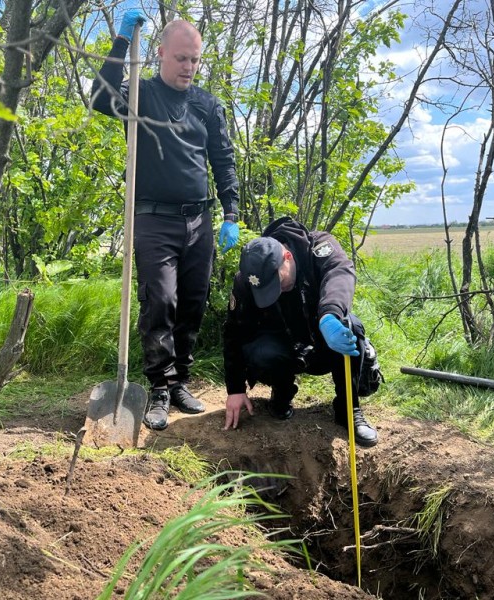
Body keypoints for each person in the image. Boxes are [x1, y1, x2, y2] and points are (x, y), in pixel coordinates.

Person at [91, 11, 241, 431]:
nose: (188, 67)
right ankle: (158, 388)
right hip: (152, 219)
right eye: (181, 59)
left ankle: (179, 383)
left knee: (192, 303)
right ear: (159, 55)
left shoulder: (207, 105)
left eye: (194, 60)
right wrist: (121, 40)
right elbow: (99, 98)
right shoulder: (140, 94)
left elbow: (223, 160)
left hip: (200, 221)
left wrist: (230, 212)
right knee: (161, 300)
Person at [222, 216, 381, 447]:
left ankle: (348, 408)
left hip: (323, 339)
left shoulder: (317, 247)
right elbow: (233, 333)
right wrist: (235, 389)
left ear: (287, 257)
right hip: (282, 346)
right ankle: (282, 392)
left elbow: (340, 272)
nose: (275, 292)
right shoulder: (247, 280)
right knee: (258, 351)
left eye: (277, 281)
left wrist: (330, 315)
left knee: (351, 327)